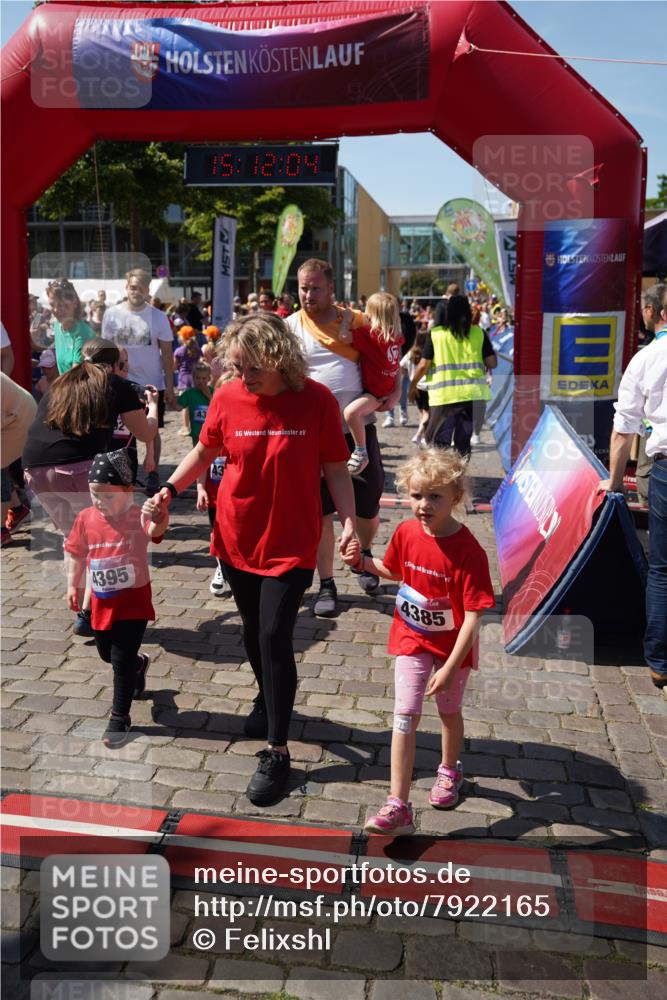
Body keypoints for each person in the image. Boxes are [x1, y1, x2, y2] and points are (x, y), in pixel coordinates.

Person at [149, 313, 357, 804]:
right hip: (236, 535)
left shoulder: (317, 400)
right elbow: (204, 451)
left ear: (278, 357)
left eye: (250, 368)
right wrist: (167, 488)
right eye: (237, 367)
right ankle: (268, 696)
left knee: (273, 635)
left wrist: (349, 522)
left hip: (292, 542)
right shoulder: (227, 396)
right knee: (250, 632)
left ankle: (277, 750)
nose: (243, 377)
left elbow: (335, 469)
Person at [342, 449, 495, 835]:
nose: (423, 505)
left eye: (434, 497)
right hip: (411, 637)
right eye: (416, 496)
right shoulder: (407, 533)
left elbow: (475, 614)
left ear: (456, 499)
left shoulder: (469, 551)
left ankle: (448, 770)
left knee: (447, 712)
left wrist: (449, 666)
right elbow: (393, 570)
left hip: (451, 650)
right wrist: (361, 561)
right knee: (404, 716)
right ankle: (398, 804)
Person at [286, 259, 399, 616]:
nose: (308, 295)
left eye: (315, 288)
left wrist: (393, 394)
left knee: (368, 502)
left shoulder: (357, 321)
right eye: (303, 288)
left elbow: (390, 355)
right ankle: (327, 583)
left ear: (331, 288)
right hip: (312, 437)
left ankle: (363, 555)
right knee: (321, 511)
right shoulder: (290, 328)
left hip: (356, 433)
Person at [23, 342, 159, 634]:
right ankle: (88, 614)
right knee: (97, 538)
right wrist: (154, 406)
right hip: (79, 467)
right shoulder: (114, 384)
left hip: (35, 468)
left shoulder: (63, 382)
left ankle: (80, 601)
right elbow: (146, 432)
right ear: (113, 366)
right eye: (122, 366)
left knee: (74, 538)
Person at [65, 448, 168, 748]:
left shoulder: (136, 515)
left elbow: (155, 531)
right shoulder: (86, 518)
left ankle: (119, 717)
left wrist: (160, 517)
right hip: (101, 603)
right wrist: (74, 586)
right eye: (94, 494)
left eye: (107, 496)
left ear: (127, 491)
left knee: (119, 662)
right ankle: (138, 664)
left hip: (132, 604)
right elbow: (75, 553)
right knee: (106, 653)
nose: (99, 501)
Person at [598, 286, 667, 690]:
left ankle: (659, 660)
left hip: (663, 467)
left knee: (661, 567)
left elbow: (623, 430)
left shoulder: (645, 358)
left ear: (651, 311)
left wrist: (612, 482)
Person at [102, 268, 176, 496]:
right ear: (127, 288)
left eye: (141, 288)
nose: (136, 292)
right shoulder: (112, 314)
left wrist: (170, 387)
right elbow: (105, 350)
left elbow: (166, 354)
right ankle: (128, 475)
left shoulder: (158, 317)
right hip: (121, 383)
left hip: (151, 384)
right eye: (133, 287)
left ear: (147, 290)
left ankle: (153, 473)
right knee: (123, 432)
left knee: (152, 431)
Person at [409, 295, 496, 457]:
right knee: (463, 444)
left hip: (444, 398)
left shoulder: (436, 334)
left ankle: (440, 478)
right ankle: (458, 478)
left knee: (437, 443)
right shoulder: (479, 333)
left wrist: (412, 387)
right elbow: (492, 363)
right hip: (473, 397)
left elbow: (423, 365)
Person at [342, 292, 404, 475]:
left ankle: (361, 451)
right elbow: (397, 364)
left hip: (374, 393)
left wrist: (346, 319)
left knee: (351, 413)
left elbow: (344, 337)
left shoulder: (371, 335)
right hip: (386, 389)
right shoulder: (396, 336)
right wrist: (397, 391)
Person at [46, 280, 94, 374]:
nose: (56, 310)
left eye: (62, 305)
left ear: (75, 303)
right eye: (52, 305)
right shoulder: (57, 326)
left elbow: (74, 379)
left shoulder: (83, 334)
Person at [382, 304, 417, 429]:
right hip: (387, 360)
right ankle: (389, 415)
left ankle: (403, 412)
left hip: (403, 358)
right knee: (387, 389)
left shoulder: (405, 319)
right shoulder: (384, 320)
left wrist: (407, 356)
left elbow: (412, 336)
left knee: (402, 388)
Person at [400, 334, 430, 446]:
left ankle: (425, 437)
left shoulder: (410, 354)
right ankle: (418, 435)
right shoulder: (427, 354)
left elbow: (401, 367)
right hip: (426, 386)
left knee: (422, 413)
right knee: (428, 413)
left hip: (415, 386)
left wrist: (409, 374)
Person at [176, 361, 212, 446]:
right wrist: (171, 401)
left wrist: (208, 395)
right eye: (197, 378)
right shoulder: (189, 393)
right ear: (193, 378)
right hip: (197, 434)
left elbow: (218, 407)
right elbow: (178, 407)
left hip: (211, 433)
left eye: (204, 378)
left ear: (208, 379)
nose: (200, 381)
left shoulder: (212, 391)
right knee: (199, 455)